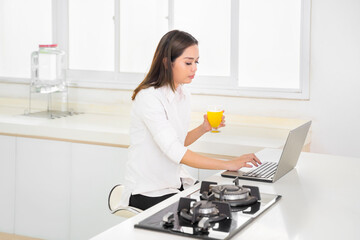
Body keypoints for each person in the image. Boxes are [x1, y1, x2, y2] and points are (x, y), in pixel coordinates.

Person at [122, 30, 261, 211]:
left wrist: (203, 128)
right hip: (148, 191)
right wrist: (229, 164)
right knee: (210, 213)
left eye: (196, 62)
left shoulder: (182, 94)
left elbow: (176, 142)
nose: (194, 68)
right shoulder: (149, 98)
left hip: (175, 183)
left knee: (230, 202)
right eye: (188, 62)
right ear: (166, 62)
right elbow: (175, 151)